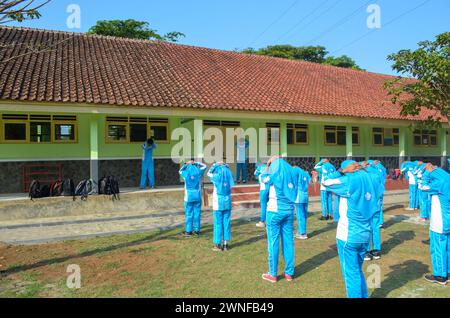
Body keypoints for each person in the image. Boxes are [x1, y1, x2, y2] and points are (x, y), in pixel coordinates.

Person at [322, 160, 380, 298]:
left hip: (348, 236)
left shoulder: (348, 180)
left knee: (351, 275)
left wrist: (342, 171)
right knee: (357, 271)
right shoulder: (369, 179)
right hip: (365, 234)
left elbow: (325, 182)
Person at [261, 156, 298, 283]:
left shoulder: (274, 174)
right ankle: (289, 273)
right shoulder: (292, 173)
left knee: (273, 242)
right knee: (289, 242)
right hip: (289, 211)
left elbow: (263, 179)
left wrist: (267, 166)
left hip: (275, 211)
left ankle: (273, 274)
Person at [421, 164, 450, 286]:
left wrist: (427, 173)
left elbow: (422, 187)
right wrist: (434, 170)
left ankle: (440, 276)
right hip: (447, 221)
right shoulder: (447, 178)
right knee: (447, 248)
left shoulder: (439, 184)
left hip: (440, 223)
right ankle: (447, 273)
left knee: (438, 249)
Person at [207, 162, 235, 251]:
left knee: (218, 223)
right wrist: (226, 165)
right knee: (226, 222)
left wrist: (215, 165)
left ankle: (218, 244)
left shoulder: (216, 176)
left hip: (218, 202)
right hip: (227, 200)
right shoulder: (229, 173)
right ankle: (226, 244)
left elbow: (208, 173)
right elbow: (230, 173)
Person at [361, 160, 385, 261]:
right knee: (375, 227)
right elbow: (381, 190)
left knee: (366, 228)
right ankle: (376, 251)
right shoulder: (377, 174)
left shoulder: (362, 175)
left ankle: (366, 252)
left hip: (366, 206)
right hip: (376, 205)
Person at [179, 160, 207, 237]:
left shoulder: (185, 173)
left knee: (189, 214)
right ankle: (197, 231)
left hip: (188, 197)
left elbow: (180, 170)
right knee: (197, 214)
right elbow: (205, 166)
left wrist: (186, 164)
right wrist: (196, 163)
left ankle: (188, 231)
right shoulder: (198, 172)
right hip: (197, 196)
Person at [293, 166, 311, 240]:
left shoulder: (296, 171)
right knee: (304, 215)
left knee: (300, 216)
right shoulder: (305, 173)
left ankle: (302, 233)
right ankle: (301, 231)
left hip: (298, 197)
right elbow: (310, 181)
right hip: (305, 195)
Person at [254, 161, 269, 228]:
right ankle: (269, 221)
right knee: (270, 205)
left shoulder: (260, 167)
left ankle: (262, 221)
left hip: (263, 189)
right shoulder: (271, 168)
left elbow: (255, 173)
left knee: (263, 206)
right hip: (271, 189)